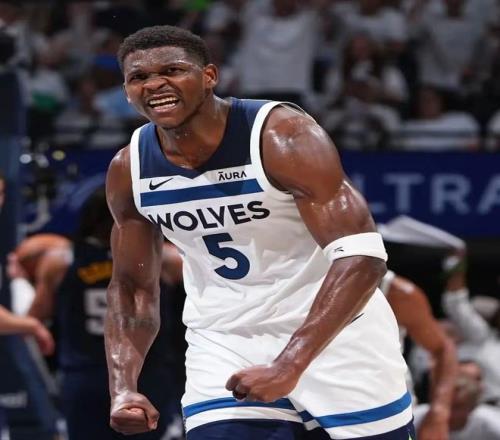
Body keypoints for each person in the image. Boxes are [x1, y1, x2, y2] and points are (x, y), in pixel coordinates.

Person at [105, 25, 413, 440]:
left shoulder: (281, 135)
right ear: (127, 91)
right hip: (224, 341)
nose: (155, 84)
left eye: (172, 70)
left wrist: (290, 363)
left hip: (334, 335)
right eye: (139, 77)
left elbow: (363, 257)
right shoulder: (130, 168)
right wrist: (123, 386)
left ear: (209, 76)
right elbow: (132, 287)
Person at [25, 187, 183, 440]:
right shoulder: (166, 258)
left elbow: (35, 318)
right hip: (145, 371)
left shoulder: (61, 260)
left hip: (83, 373)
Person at [380, 270, 458, 440]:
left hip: (388, 414)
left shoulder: (396, 291)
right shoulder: (316, 278)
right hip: (323, 406)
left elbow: (443, 348)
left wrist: (438, 413)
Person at [413, 361, 500, 439]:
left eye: (457, 407)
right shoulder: (414, 420)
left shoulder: (492, 423)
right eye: (446, 405)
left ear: (472, 407)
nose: (449, 412)